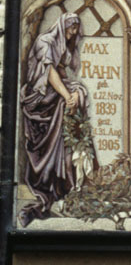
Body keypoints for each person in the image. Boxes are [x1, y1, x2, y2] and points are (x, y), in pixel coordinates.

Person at [20, 14, 95, 226]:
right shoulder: (45, 42)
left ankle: (66, 180)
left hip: (55, 94)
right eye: (71, 29)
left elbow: (62, 72)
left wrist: (71, 93)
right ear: (63, 25)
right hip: (40, 97)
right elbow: (49, 72)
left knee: (79, 92)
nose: (73, 34)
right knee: (73, 95)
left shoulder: (61, 45)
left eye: (75, 30)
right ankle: (47, 181)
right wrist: (67, 95)